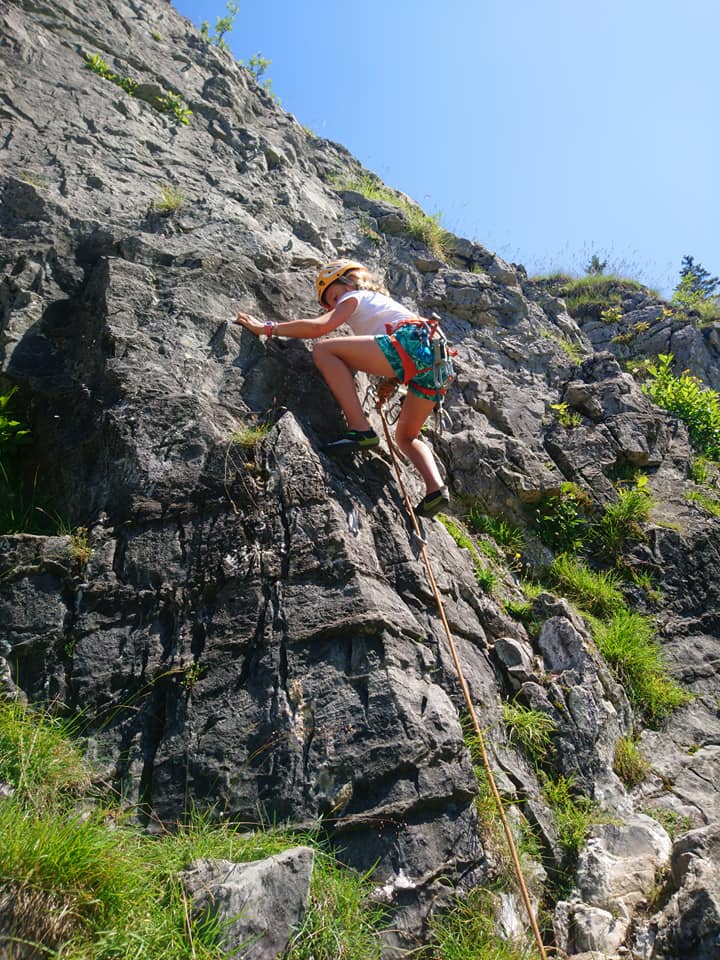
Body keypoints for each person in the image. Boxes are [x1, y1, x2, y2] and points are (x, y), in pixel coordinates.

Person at [233, 259, 452, 517]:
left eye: (334, 295)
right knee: (406, 437)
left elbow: (320, 328)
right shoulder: (383, 306)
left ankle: (360, 428)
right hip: (438, 364)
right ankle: (435, 488)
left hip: (409, 344)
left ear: (348, 282)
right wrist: (391, 381)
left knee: (324, 350)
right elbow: (414, 355)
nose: (334, 304)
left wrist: (267, 328)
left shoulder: (356, 296)